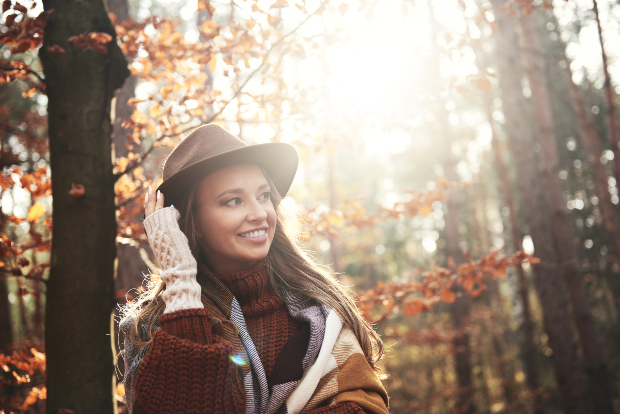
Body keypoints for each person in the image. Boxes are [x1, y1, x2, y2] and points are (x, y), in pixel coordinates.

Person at [119, 124, 389, 414]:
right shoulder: (151, 328)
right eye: (233, 201)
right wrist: (181, 282)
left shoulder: (322, 310)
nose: (260, 213)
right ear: (191, 222)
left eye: (263, 196)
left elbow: (365, 406)